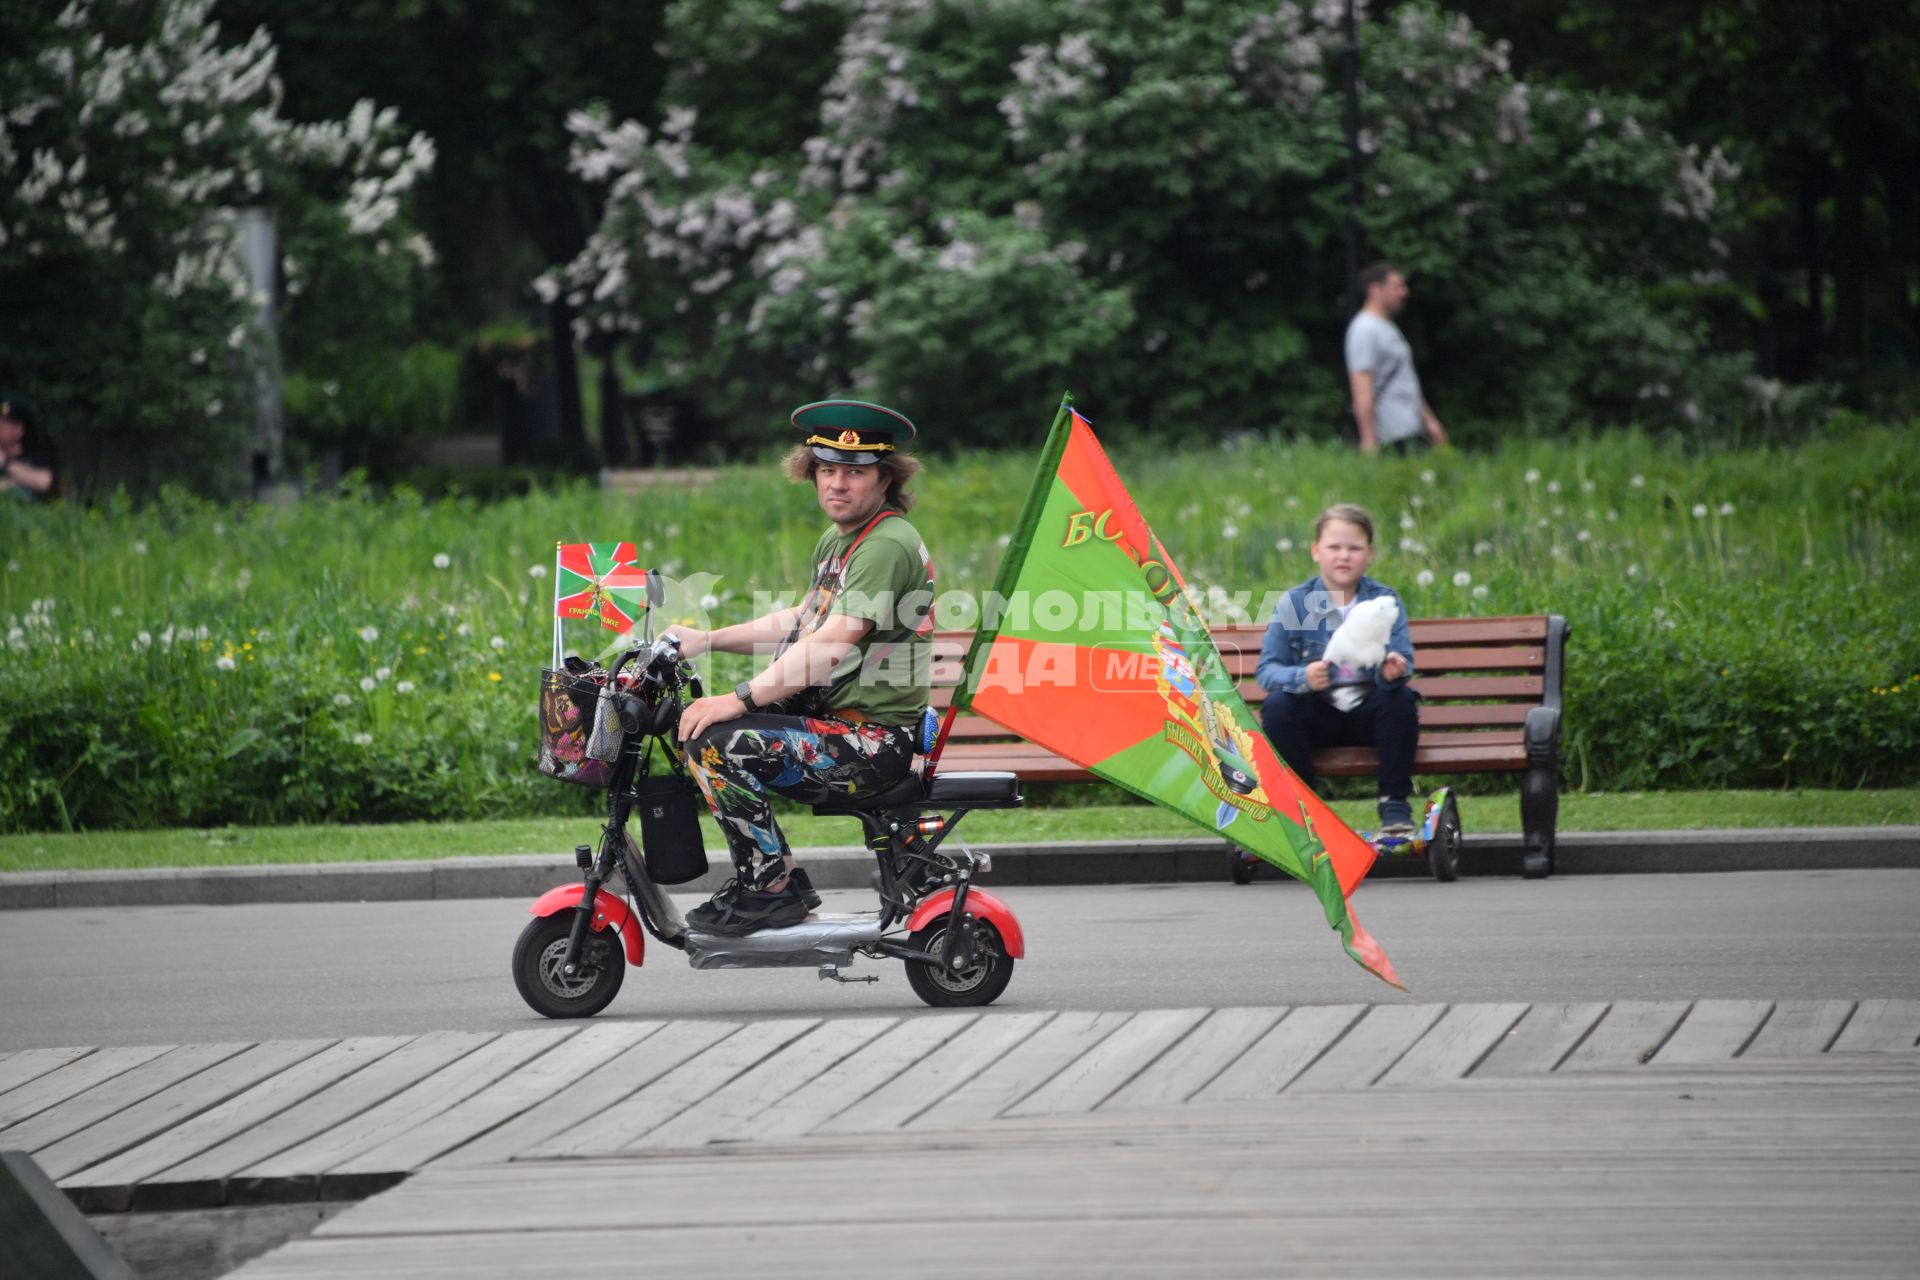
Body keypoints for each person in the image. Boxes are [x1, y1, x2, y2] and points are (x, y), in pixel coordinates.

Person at [667, 400, 936, 935]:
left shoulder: (886, 543)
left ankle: (770, 888)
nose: (837, 484)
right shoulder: (843, 540)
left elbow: (832, 642)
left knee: (717, 741)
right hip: (846, 727)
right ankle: (777, 879)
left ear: (884, 478)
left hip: (873, 744)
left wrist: (739, 698)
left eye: (855, 472)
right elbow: (803, 618)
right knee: (705, 728)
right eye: (827, 469)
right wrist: (708, 640)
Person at [1256, 503, 1420, 836]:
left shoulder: (1384, 601)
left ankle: (1394, 804)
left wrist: (1393, 672)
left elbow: (1404, 659)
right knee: (1277, 706)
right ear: (1316, 551)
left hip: (1368, 716)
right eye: (1334, 547)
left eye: (1354, 548)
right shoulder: (1295, 603)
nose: (1343, 556)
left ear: (1369, 554)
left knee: (1400, 700)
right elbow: (1267, 671)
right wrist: (1303, 677)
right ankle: (1304, 808)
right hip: (1320, 718)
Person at [1345, 262, 1448, 455]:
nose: (1404, 292)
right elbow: (1361, 386)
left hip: (1412, 429)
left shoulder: (1387, 327)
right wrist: (1368, 441)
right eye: (1397, 287)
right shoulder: (1364, 329)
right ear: (1375, 290)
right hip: (1392, 436)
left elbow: (1405, 379)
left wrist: (1429, 420)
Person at [0, 391, 56, 500]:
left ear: (19, 429)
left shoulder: (34, 455)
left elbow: (44, 482)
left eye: (4, 423)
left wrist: (6, 464)